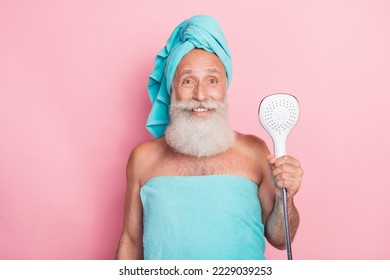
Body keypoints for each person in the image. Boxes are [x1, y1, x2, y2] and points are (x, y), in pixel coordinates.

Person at [116, 15, 303, 260]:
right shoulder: (143, 159)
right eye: (187, 81)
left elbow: (281, 240)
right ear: (172, 89)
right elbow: (131, 242)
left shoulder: (255, 151)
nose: (201, 95)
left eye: (212, 80)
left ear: (225, 87)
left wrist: (284, 198)